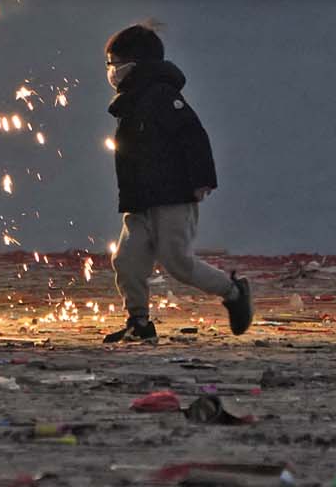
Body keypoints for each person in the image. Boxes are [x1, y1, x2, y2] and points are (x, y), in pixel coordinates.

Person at [100, 22, 254, 344]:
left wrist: (201, 181)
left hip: (172, 196)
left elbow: (194, 137)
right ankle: (138, 320)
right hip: (139, 200)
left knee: (178, 262)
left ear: (136, 65)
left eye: (115, 64)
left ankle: (233, 291)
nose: (111, 71)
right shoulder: (128, 104)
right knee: (128, 259)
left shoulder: (162, 98)